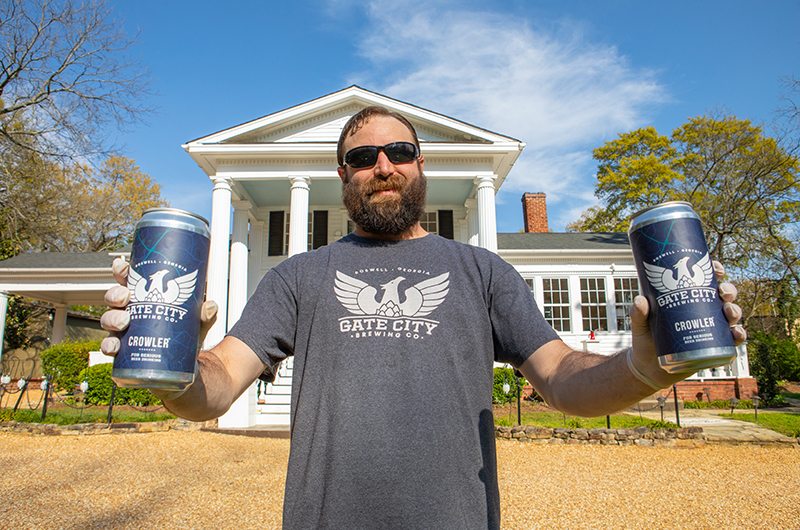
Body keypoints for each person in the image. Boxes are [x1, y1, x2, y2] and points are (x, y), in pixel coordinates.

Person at [100, 106, 746, 529]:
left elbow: (564, 378)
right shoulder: (299, 276)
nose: (382, 165)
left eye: (400, 150)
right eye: (362, 157)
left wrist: (647, 363)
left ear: (419, 165)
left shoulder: (481, 271)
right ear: (342, 175)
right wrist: (168, 368)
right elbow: (214, 386)